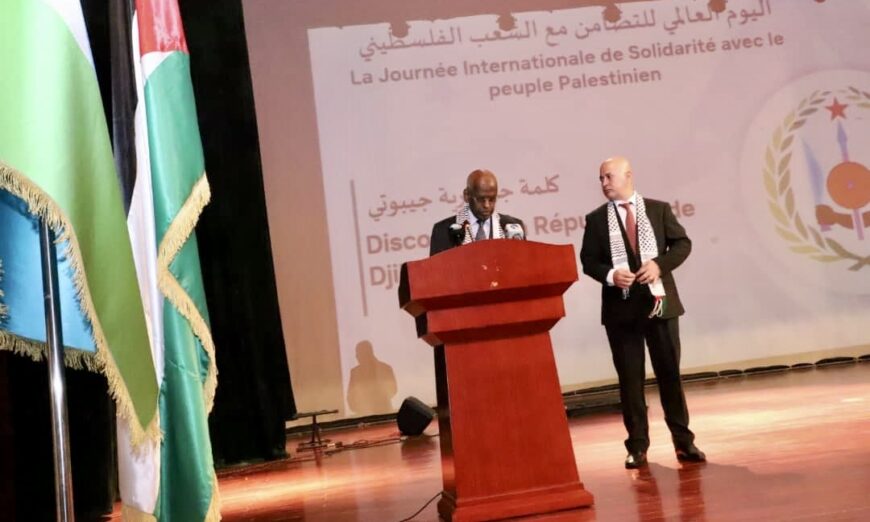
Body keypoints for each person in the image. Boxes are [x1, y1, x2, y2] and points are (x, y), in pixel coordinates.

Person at [579, 156, 705, 469]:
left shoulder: (658, 210)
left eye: (608, 176)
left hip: (660, 306)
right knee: (630, 381)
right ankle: (637, 446)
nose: (603, 183)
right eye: (600, 178)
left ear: (628, 175)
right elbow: (588, 261)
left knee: (670, 375)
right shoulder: (596, 219)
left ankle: (684, 442)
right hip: (621, 312)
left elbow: (682, 243)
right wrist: (611, 275)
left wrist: (659, 265)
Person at [429, 169, 525, 256]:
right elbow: (436, 269)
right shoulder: (442, 231)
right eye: (480, 199)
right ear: (467, 195)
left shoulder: (513, 227)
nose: (487, 205)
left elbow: (523, 265)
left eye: (492, 199)